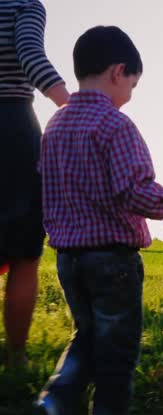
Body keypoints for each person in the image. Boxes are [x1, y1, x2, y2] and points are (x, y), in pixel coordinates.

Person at [28, 25, 163, 415]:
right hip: (112, 262)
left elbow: (46, 187)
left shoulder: (55, 125)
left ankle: (54, 404)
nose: (131, 94)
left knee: (88, 339)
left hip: (69, 261)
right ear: (119, 72)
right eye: (133, 84)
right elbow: (136, 192)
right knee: (115, 358)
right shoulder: (115, 125)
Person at [0, 0, 69, 369]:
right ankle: (15, 357)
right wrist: (70, 105)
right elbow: (28, 51)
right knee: (24, 255)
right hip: (10, 128)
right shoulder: (24, 4)